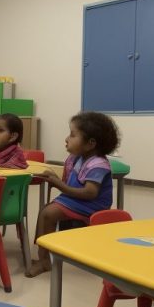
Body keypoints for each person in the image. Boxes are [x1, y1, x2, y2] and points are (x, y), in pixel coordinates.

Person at [28, 111, 120, 277]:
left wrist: (59, 185)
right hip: (76, 200)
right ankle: (40, 256)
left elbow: (90, 193)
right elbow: (71, 181)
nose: (66, 139)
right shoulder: (76, 157)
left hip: (91, 205)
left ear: (90, 143)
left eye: (72, 135)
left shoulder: (98, 164)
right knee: (45, 212)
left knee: (48, 213)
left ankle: (43, 260)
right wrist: (55, 178)